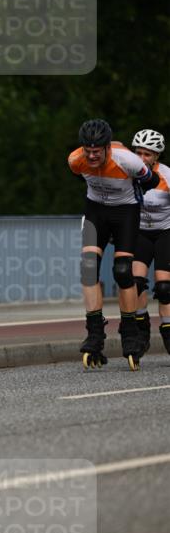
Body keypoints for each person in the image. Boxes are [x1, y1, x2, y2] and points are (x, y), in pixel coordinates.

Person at [68, 118, 159, 369]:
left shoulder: (127, 160)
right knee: (88, 268)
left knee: (122, 271)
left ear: (108, 147)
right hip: (96, 210)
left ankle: (130, 333)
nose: (92, 155)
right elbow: (81, 177)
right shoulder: (75, 160)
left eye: (97, 151)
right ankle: (95, 334)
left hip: (125, 212)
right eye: (88, 150)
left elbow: (150, 180)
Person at [130, 129, 170, 356]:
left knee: (164, 288)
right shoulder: (128, 173)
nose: (142, 158)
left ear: (156, 157)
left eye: (148, 154)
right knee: (134, 282)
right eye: (138, 153)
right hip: (141, 232)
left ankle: (168, 331)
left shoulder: (166, 175)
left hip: (166, 231)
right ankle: (141, 330)